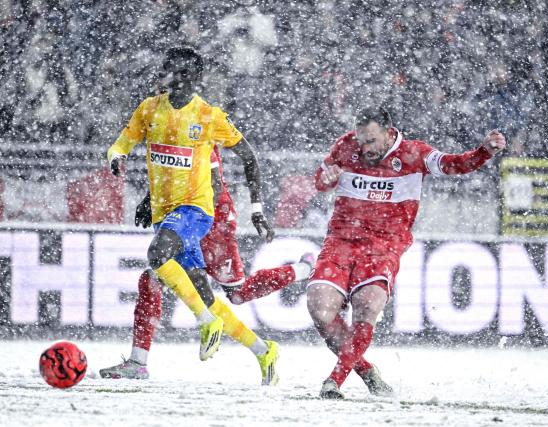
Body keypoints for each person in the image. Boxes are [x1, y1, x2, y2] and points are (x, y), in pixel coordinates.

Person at [307, 106, 506, 399]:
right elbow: (321, 182)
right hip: (341, 241)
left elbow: (454, 164)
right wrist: (327, 178)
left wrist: (484, 152)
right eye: (361, 140)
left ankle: (334, 380)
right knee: (320, 309)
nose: (364, 148)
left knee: (368, 305)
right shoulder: (345, 146)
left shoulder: (415, 154)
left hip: (383, 246)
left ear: (389, 133)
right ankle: (366, 371)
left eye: (371, 141)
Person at [106, 46, 274, 363]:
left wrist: (257, 209)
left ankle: (202, 326)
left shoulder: (209, 116)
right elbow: (122, 144)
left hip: (196, 210)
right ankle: (263, 351)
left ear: (189, 77)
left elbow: (249, 158)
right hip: (163, 211)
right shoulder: (149, 109)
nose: (163, 73)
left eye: (170, 68)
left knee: (157, 257)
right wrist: (118, 158)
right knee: (201, 292)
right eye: (164, 66)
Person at [100, 144, 315, 385]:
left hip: (212, 220)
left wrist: (256, 210)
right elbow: (169, 171)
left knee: (236, 294)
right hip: (181, 215)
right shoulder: (164, 121)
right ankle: (138, 362)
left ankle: (303, 271)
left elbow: (217, 178)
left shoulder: (198, 125)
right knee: (154, 279)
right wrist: (151, 198)